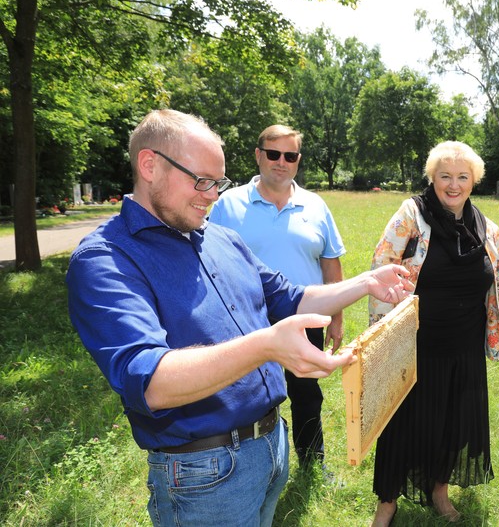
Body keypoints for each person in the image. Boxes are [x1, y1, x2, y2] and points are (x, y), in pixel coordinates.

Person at [65, 109, 414, 527]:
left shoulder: (220, 237)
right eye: (201, 181)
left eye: (219, 183)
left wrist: (364, 283)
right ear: (149, 165)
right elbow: (150, 382)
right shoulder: (106, 259)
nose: (212, 195)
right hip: (204, 474)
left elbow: (292, 298)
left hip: (270, 446)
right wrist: (266, 345)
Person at [368, 141, 499, 526]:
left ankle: (438, 489)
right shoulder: (412, 215)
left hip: (465, 344)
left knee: (452, 420)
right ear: (432, 178)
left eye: (463, 177)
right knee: (402, 422)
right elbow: (381, 266)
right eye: (445, 176)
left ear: (474, 181)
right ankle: (388, 502)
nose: (454, 184)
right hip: (415, 342)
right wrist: (380, 337)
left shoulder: (487, 229)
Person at [208, 125, 344, 471]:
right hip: (247, 320)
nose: (281, 162)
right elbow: (207, 259)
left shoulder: (315, 205)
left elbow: (331, 262)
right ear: (258, 155)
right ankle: (254, 467)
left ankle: (313, 462)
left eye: (290, 155)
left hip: (305, 316)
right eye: (273, 154)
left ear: (298, 161)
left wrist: (337, 317)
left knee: (307, 395)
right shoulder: (227, 204)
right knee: (250, 395)